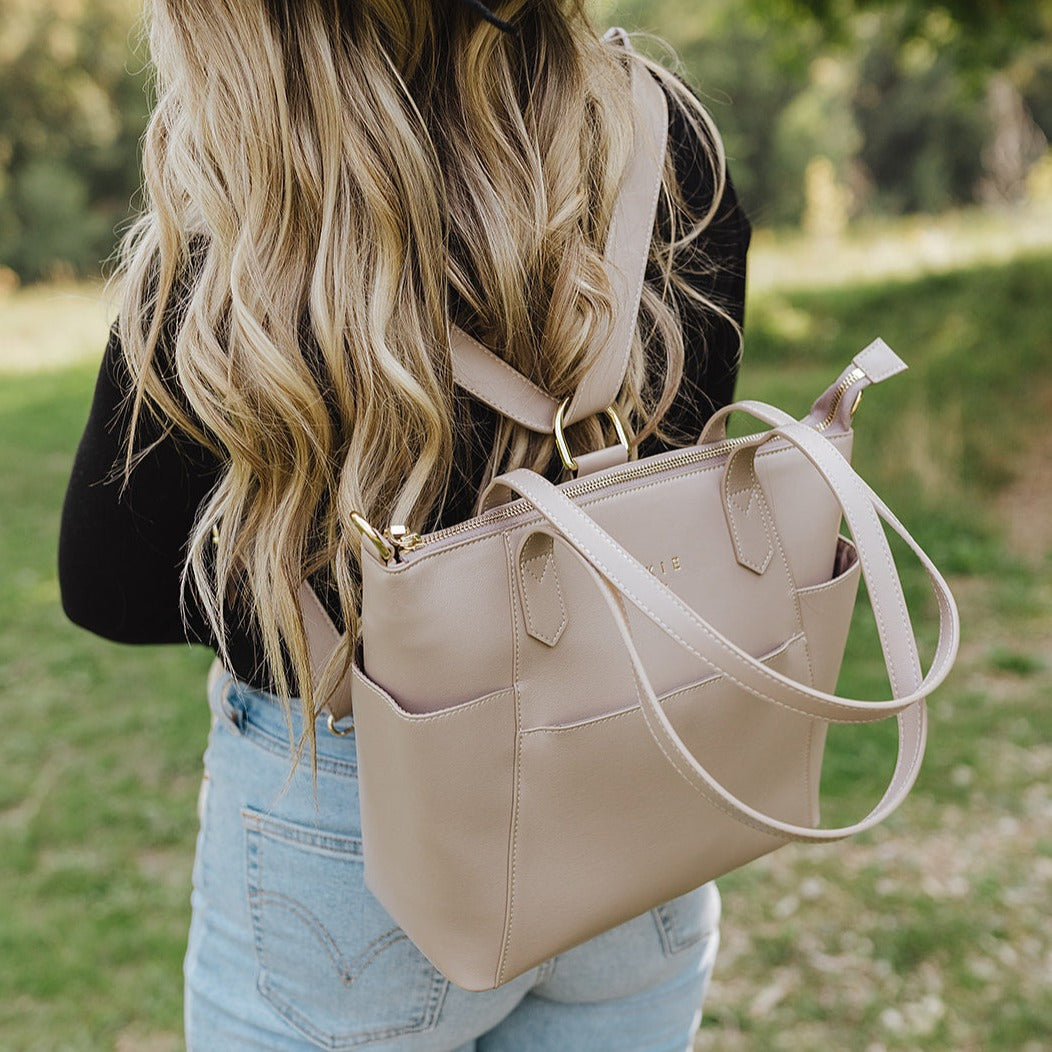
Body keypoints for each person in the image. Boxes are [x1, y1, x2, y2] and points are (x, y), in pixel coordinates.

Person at [58, 1, 751, 1048]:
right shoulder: (659, 141)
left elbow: (107, 583)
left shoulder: (239, 238)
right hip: (639, 777)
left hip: (355, 816)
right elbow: (685, 445)